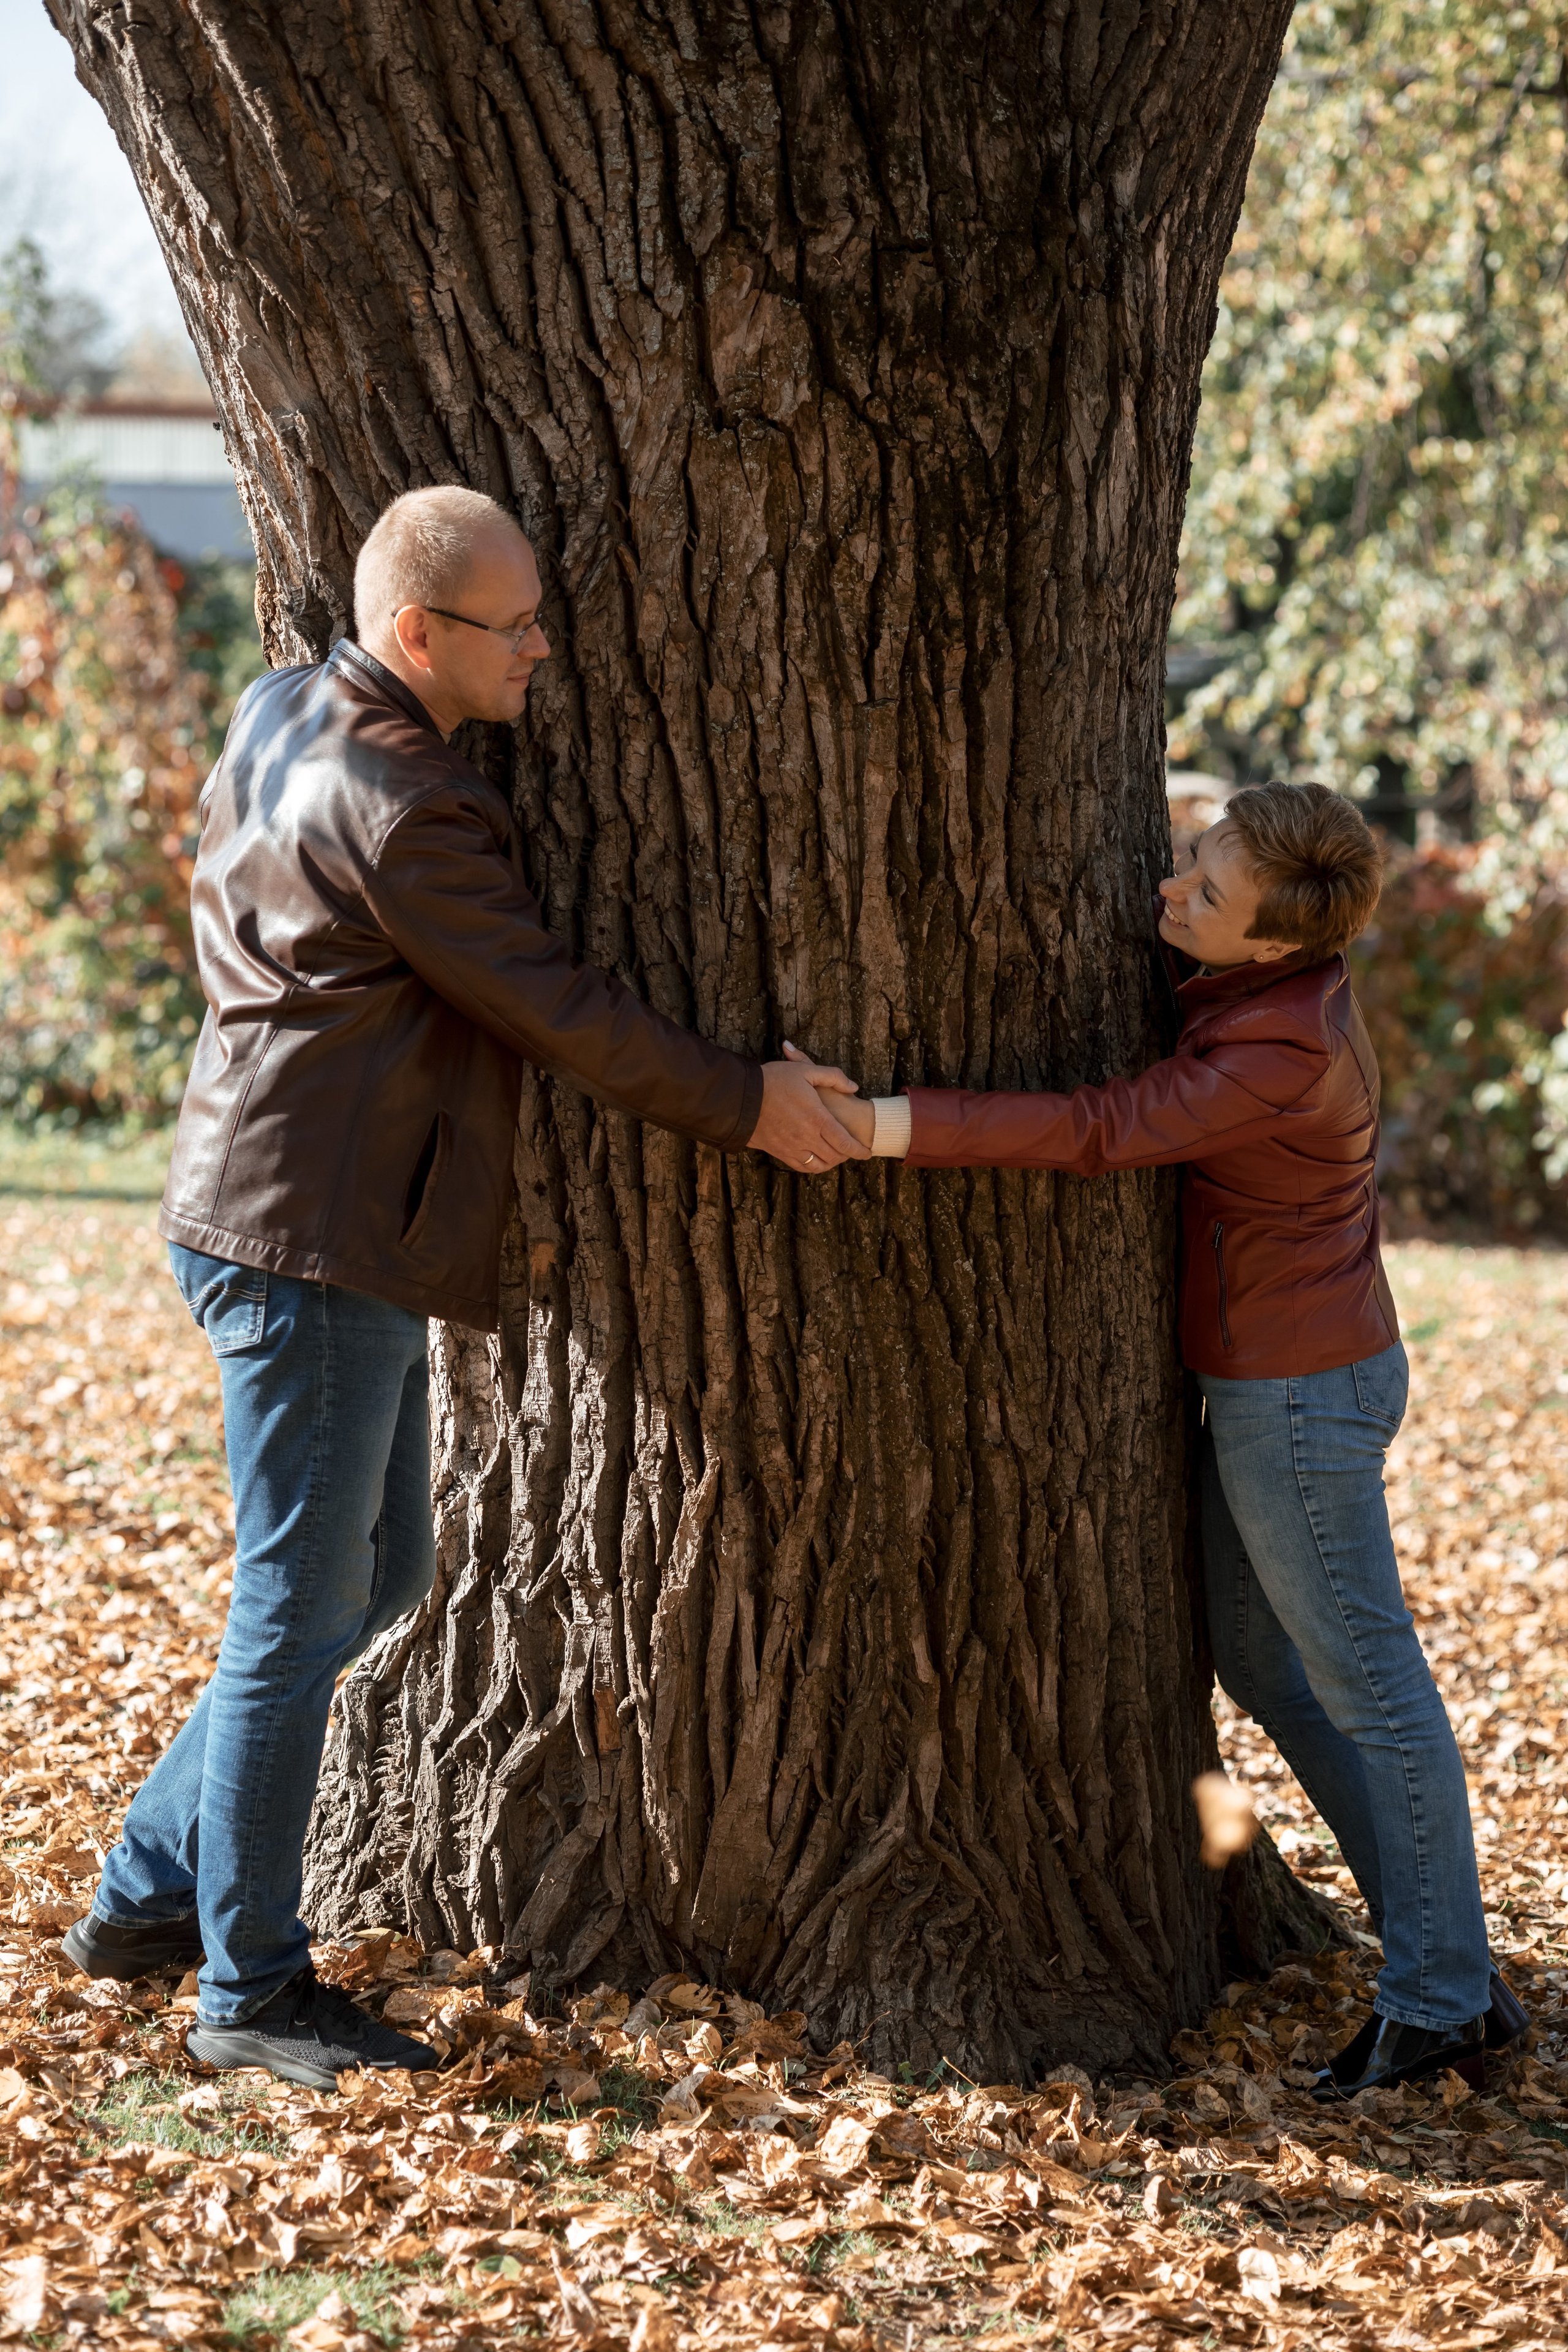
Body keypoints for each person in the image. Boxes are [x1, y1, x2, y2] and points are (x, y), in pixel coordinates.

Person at [64, 486, 865, 2091]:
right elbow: (550, 1003)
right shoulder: (409, 802)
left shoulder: (283, 704)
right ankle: (250, 1989)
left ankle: (150, 1890)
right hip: (313, 1236)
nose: (544, 651)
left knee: (373, 1579)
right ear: (418, 633)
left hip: (280, 1206)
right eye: (517, 627)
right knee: (300, 1607)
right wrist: (745, 1101)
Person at [826, 780, 1527, 2097]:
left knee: (1372, 1689)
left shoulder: (1277, 1050)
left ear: (1276, 941)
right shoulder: (1266, 983)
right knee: (1263, 1663)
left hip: (1299, 1399)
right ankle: (1447, 1956)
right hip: (1281, 1378)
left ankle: (1439, 2001)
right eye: (1190, 860)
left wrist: (880, 1124)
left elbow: (1103, 1129)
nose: (1167, 892)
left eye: (1205, 892)